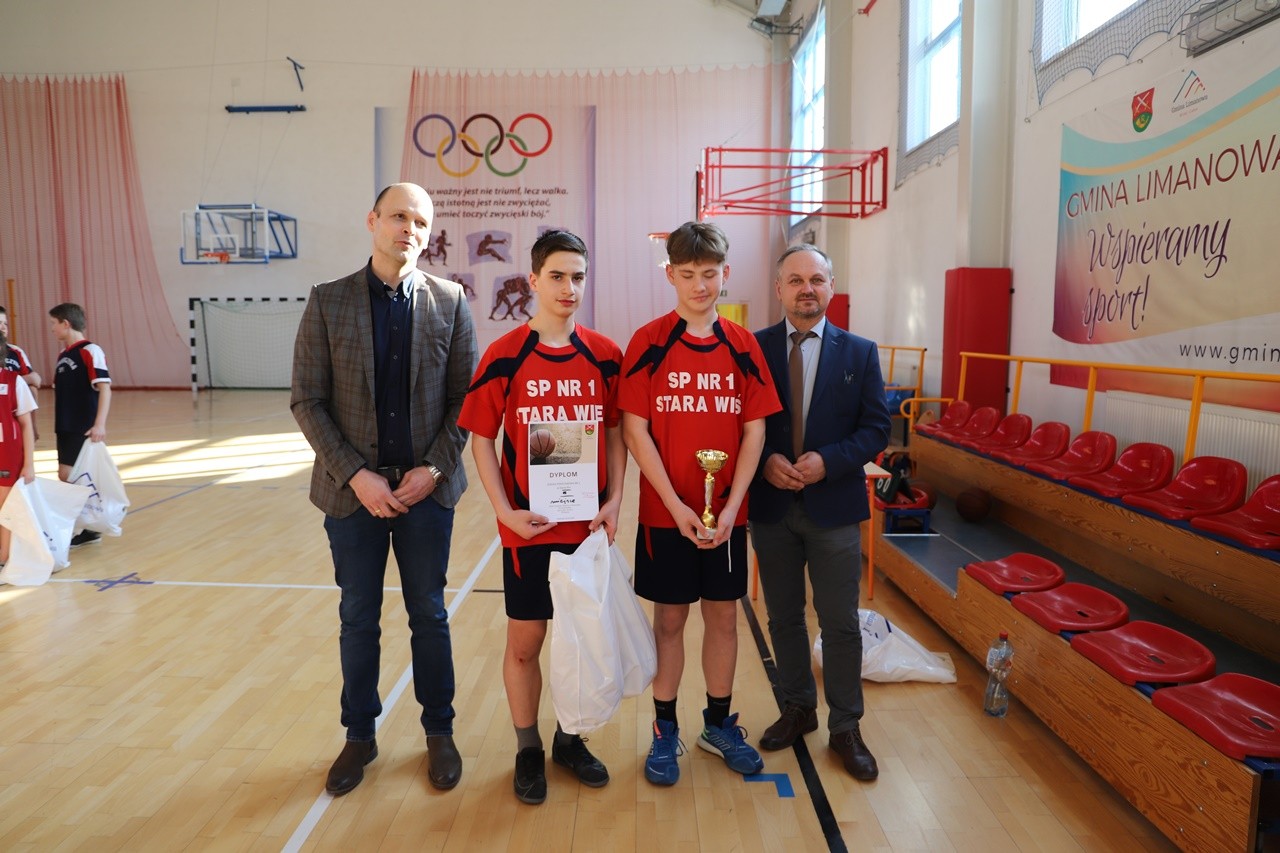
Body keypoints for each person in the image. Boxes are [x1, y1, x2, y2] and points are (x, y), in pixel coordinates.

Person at [290, 183, 478, 797]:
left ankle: (439, 731)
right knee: (357, 617)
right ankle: (359, 735)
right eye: (399, 216)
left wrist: (434, 470)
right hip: (353, 497)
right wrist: (356, 475)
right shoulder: (328, 301)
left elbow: (466, 401)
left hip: (427, 494)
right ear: (372, 221)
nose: (409, 229)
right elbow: (307, 400)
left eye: (420, 221)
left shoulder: (451, 301)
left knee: (430, 614)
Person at [458, 229, 625, 805]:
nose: (568, 287)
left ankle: (569, 740)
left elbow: (615, 433)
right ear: (533, 280)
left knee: (581, 644)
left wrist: (615, 499)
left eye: (578, 276)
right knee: (526, 642)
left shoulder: (605, 355)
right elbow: (481, 439)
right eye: (556, 276)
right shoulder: (505, 355)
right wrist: (504, 511)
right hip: (529, 529)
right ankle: (527, 747)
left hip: (587, 531)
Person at [618, 221, 781, 786]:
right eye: (687, 274)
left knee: (724, 618)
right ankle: (665, 730)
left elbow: (755, 431)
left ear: (725, 273)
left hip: (726, 517)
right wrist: (675, 504)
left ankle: (717, 725)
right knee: (669, 620)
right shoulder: (648, 342)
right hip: (665, 516)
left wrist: (733, 507)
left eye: (709, 274)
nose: (699, 285)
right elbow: (634, 430)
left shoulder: (743, 345)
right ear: (670, 275)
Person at [748, 244, 891, 781]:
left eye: (816, 279)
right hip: (772, 507)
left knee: (840, 623)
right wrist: (765, 461)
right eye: (795, 280)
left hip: (833, 509)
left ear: (831, 286)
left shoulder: (860, 352)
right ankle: (798, 708)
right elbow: (737, 421)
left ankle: (846, 726)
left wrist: (829, 461)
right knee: (783, 617)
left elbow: (876, 429)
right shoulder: (753, 348)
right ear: (779, 288)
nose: (806, 288)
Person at [48, 303, 111, 547]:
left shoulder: (90, 350)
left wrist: (99, 424)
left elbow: (105, 388)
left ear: (66, 323)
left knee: (76, 476)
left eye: (54, 323)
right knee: (66, 475)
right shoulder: (62, 356)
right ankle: (87, 526)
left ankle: (90, 525)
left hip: (83, 425)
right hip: (65, 424)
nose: (52, 329)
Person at [0, 330, 38, 567]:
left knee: (5, 506)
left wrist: (29, 464)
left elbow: (26, 425)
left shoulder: (14, 381)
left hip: (7, 455)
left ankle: (4, 557)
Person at [0, 305, 42, 444]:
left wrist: (33, 425)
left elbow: (35, 382)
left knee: (31, 388)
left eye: (5, 324)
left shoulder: (16, 351)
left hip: (14, 413)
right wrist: (23, 379)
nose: (3, 327)